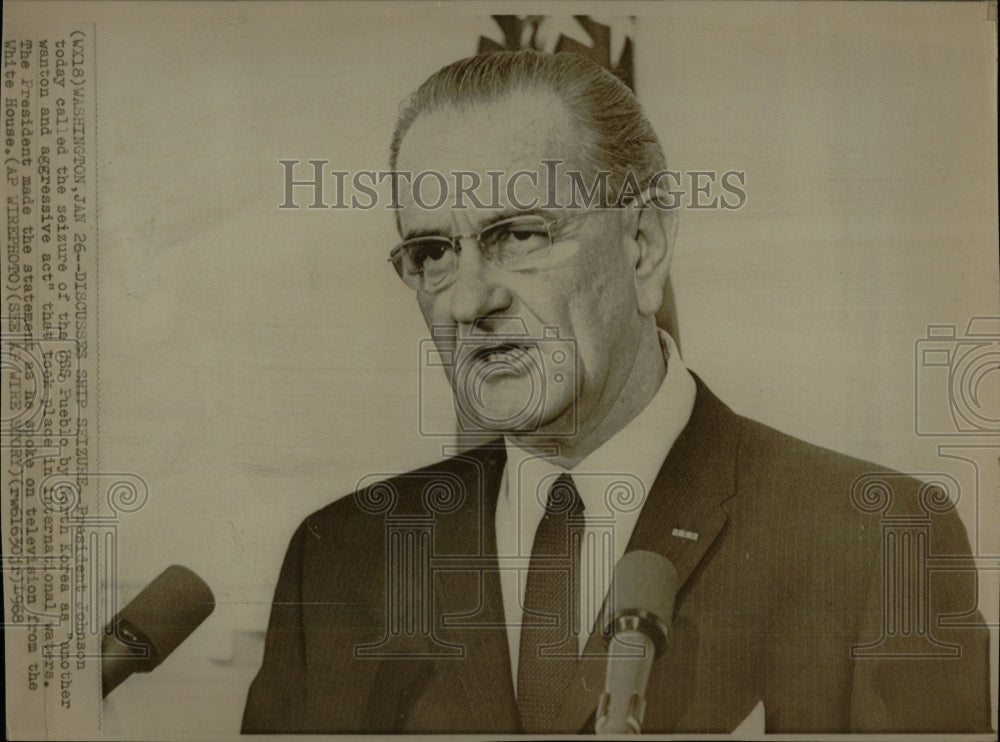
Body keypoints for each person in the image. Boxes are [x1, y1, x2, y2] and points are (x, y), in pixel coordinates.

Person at [242, 51, 991, 734]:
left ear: (643, 246)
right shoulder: (338, 558)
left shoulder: (876, 541)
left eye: (518, 235)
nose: (468, 300)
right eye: (433, 252)